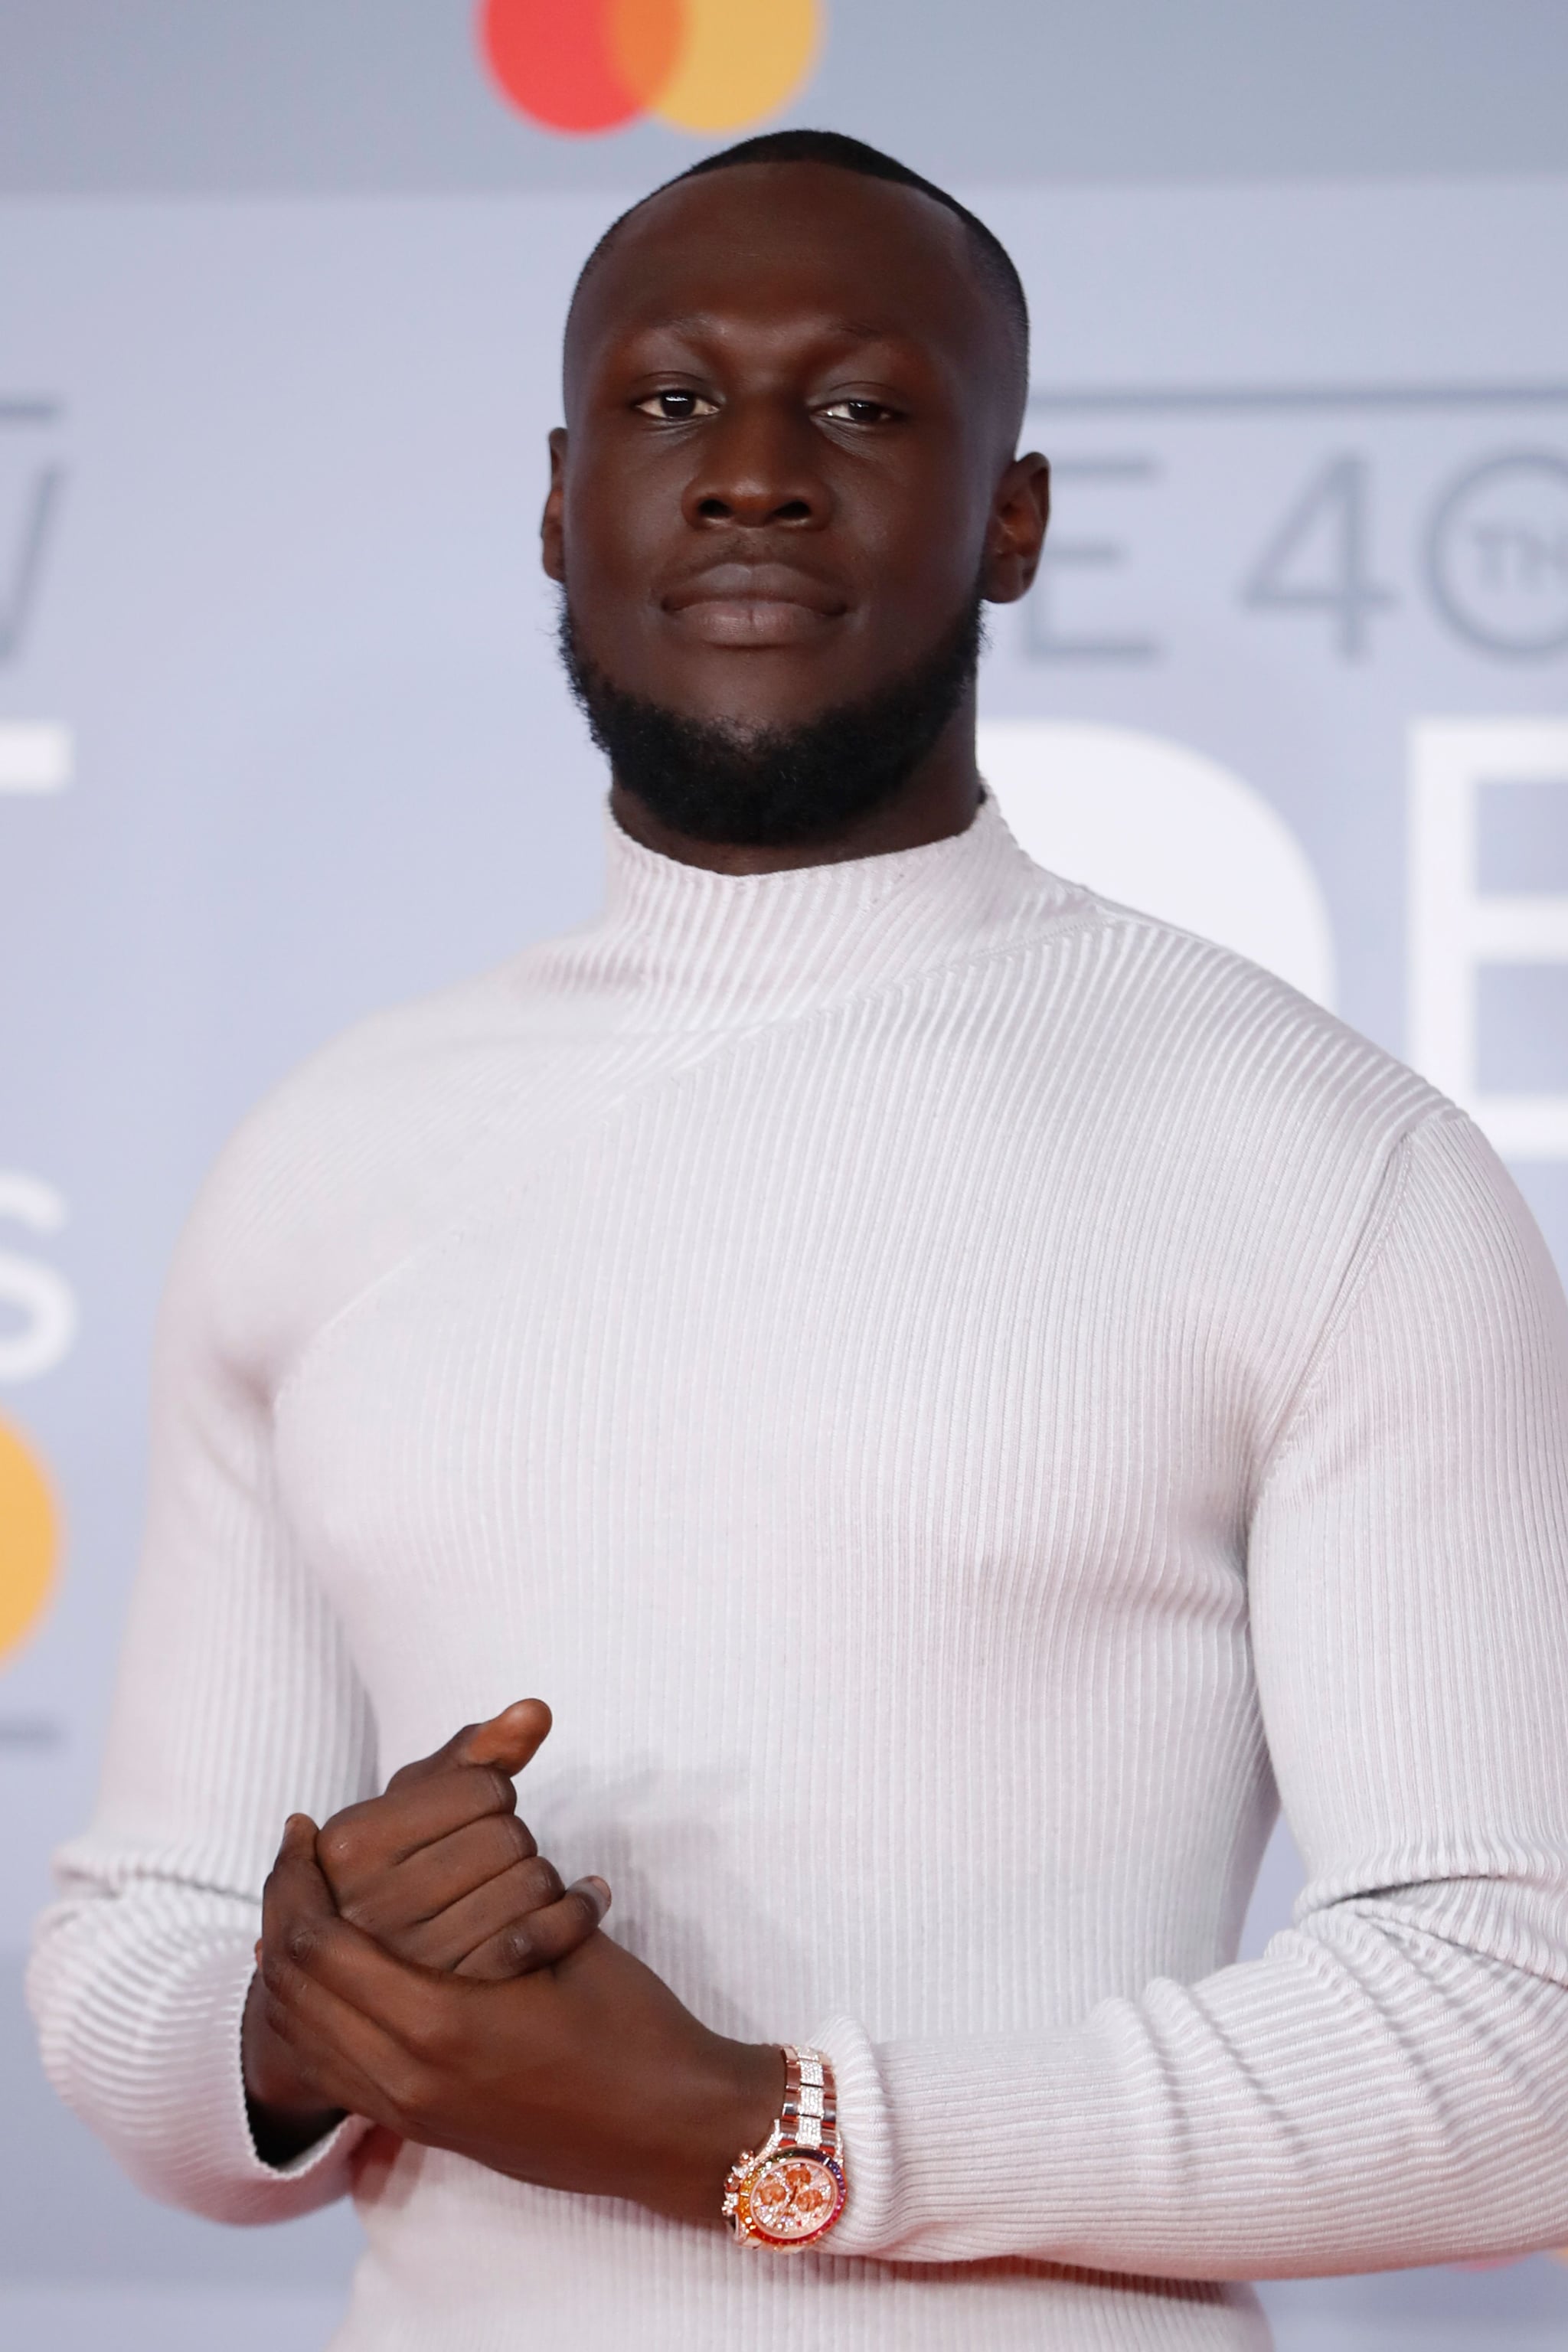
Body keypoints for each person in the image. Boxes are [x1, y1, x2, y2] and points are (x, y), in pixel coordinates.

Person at [29, 129, 1568, 2351]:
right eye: (673, 403)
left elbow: (1520, 2044)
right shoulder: (326, 1157)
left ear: (1010, 517)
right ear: (561, 503)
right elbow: (136, 1965)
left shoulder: (1325, 1162)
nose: (753, 472)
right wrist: (298, 2019)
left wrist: (750, 2127)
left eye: (860, 406)